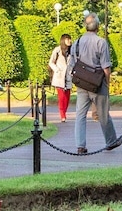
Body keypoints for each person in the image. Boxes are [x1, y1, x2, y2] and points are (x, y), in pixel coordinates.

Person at [66, 13, 117, 153]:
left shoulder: (77, 42)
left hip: (82, 83)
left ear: (85, 26)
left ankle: (80, 145)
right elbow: (106, 67)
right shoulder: (101, 42)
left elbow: (71, 63)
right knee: (103, 113)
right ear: (98, 26)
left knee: (80, 114)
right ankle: (111, 140)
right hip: (97, 83)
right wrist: (107, 83)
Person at [47, 34, 74, 122]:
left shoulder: (72, 51)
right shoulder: (57, 50)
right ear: (63, 40)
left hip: (69, 77)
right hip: (59, 77)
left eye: (70, 39)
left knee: (67, 98)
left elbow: (75, 62)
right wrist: (57, 70)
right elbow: (51, 62)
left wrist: (73, 71)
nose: (69, 41)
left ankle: (64, 112)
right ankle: (62, 115)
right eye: (67, 39)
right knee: (61, 97)